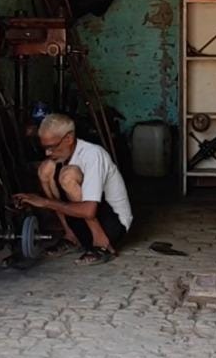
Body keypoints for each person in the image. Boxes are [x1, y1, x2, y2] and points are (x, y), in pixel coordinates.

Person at [13, 114, 132, 266]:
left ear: (68, 138)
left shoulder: (93, 154)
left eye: (52, 147)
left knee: (68, 176)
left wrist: (44, 202)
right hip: (82, 223)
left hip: (112, 226)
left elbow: (89, 211)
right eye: (45, 148)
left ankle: (101, 244)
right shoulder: (62, 156)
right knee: (45, 168)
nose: (47, 153)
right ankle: (71, 236)